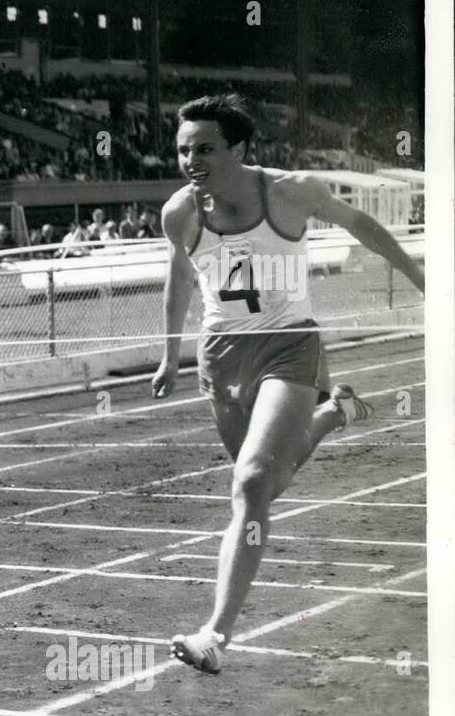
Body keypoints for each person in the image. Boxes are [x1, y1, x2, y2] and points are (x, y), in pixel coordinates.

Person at [151, 94, 425, 674]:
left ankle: (215, 635)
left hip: (288, 346)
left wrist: (422, 277)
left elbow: (362, 225)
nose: (190, 159)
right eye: (182, 150)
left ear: (240, 149)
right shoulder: (180, 212)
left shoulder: (290, 191)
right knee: (265, 487)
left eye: (204, 148)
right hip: (221, 358)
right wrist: (169, 356)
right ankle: (334, 414)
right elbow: (178, 278)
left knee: (249, 483)